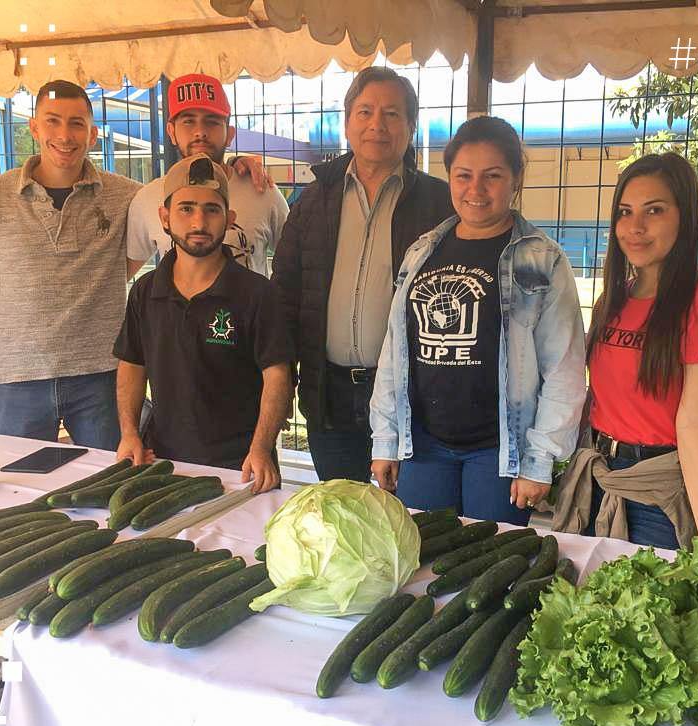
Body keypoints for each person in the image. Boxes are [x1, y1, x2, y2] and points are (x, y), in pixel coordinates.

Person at [369, 116, 586, 525]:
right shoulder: (422, 251)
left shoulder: (542, 259)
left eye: (493, 176)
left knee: (490, 569)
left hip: (498, 454)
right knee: (423, 562)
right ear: (449, 177)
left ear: (515, 179)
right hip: (425, 446)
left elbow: (565, 369)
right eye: (463, 175)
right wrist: (386, 439)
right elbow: (394, 352)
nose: (476, 190)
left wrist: (539, 460)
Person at [554, 153, 698, 558]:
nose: (635, 227)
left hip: (662, 494)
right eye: (625, 213)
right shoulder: (615, 300)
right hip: (600, 480)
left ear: (685, 218)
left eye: (655, 211)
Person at [271, 66, 453, 483]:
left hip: (411, 397)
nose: (377, 125)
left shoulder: (439, 204)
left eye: (392, 114)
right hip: (328, 393)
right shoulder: (312, 201)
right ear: (347, 122)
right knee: (344, 514)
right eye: (365, 111)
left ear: (411, 126)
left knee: (405, 521)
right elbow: (284, 295)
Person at [0, 80, 142, 450]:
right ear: (34, 128)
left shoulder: (127, 195)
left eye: (77, 123)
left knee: (108, 489)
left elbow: (179, 203)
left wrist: (236, 167)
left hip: (102, 374)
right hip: (20, 377)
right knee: (24, 490)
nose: (65, 135)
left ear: (93, 134)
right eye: (53, 121)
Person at [113, 155, 291, 492]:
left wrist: (261, 448)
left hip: (242, 468)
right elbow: (132, 365)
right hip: (161, 461)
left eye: (212, 209)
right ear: (164, 218)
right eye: (186, 208)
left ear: (230, 219)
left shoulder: (257, 294)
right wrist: (129, 434)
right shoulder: (145, 292)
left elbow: (278, 375)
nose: (199, 221)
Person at [127, 73, 288, 276]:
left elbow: (297, 264)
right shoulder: (147, 199)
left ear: (229, 134)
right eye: (188, 121)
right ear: (171, 131)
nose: (200, 132)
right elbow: (122, 276)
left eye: (212, 122)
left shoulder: (262, 191)